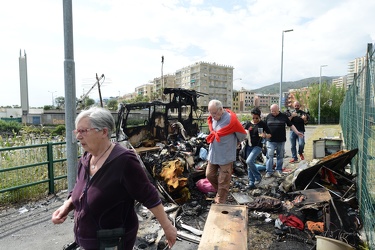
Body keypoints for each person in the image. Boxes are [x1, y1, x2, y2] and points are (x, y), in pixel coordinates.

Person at [51, 107, 177, 250]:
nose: (78, 136)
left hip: (112, 242)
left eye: (83, 131)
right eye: (77, 131)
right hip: (86, 241)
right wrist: (66, 206)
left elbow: (149, 196)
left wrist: (167, 227)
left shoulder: (124, 161)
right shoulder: (85, 159)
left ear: (104, 132)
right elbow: (80, 190)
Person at [206, 100, 246, 204]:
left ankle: (220, 201)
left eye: (214, 113)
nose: (212, 115)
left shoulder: (231, 120)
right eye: (210, 112)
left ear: (221, 109)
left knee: (223, 180)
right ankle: (221, 192)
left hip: (226, 155)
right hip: (213, 154)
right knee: (209, 175)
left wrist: (234, 144)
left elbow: (242, 135)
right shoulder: (213, 119)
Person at [265, 104, 303, 178]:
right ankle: (269, 171)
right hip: (270, 140)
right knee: (270, 156)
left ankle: (279, 169)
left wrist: (297, 132)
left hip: (281, 140)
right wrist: (263, 134)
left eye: (275, 111)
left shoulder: (283, 116)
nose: (274, 113)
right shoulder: (268, 116)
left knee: (280, 156)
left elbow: (291, 125)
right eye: (272, 111)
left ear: (278, 109)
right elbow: (264, 126)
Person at [243, 108, 271, 189]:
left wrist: (265, 136)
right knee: (249, 165)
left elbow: (270, 134)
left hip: (258, 146)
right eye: (253, 118)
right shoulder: (248, 124)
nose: (255, 120)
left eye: (257, 118)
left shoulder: (262, 124)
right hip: (249, 145)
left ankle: (258, 176)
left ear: (260, 117)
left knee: (249, 161)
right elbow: (244, 133)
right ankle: (251, 183)